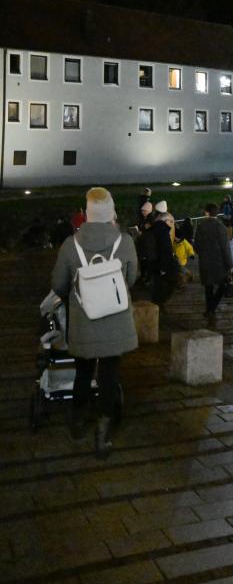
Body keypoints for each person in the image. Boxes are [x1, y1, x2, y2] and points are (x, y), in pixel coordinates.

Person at [48, 187, 138, 458]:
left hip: (84, 320)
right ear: (111, 212)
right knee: (109, 375)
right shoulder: (124, 241)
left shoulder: (70, 244)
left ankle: (77, 423)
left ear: (87, 213)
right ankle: (103, 432)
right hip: (116, 320)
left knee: (83, 373)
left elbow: (58, 285)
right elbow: (131, 278)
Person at [194, 202, 233, 321]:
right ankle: (212, 307)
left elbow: (196, 245)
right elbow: (225, 247)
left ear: (207, 212)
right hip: (219, 261)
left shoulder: (201, 226)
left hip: (205, 261)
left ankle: (209, 309)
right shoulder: (221, 226)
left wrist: (202, 253)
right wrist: (230, 264)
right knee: (223, 284)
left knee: (208, 287)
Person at [148, 210, 180, 306]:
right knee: (167, 285)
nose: (173, 224)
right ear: (165, 221)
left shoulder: (155, 229)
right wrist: (164, 268)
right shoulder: (163, 232)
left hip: (155, 263)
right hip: (163, 265)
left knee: (158, 286)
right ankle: (158, 305)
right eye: (171, 221)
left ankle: (157, 305)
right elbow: (164, 250)